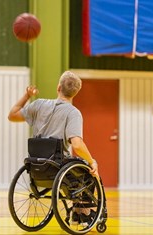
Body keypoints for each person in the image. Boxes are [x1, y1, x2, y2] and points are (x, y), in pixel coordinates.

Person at [8, 71, 98, 225]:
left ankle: (78, 212)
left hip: (36, 165)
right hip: (58, 166)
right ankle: (83, 213)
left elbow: (12, 115)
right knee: (88, 169)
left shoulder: (38, 104)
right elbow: (76, 144)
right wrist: (92, 161)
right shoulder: (73, 112)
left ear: (58, 87)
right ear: (76, 92)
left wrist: (27, 96)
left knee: (77, 167)